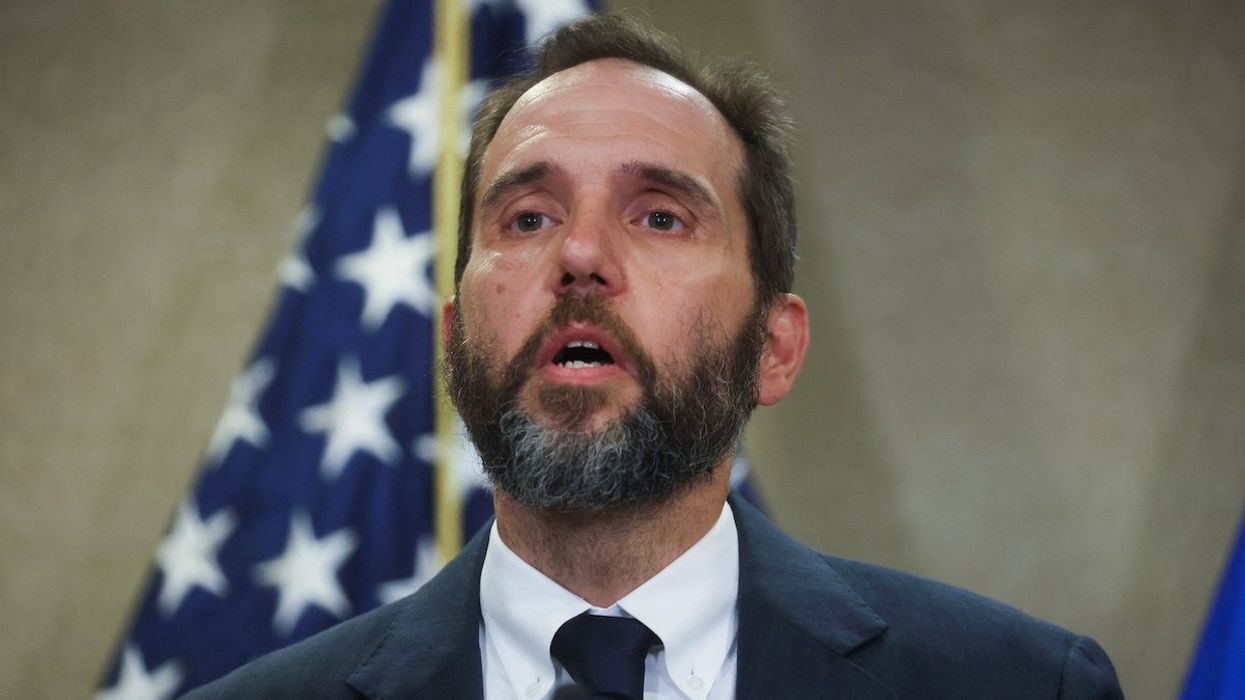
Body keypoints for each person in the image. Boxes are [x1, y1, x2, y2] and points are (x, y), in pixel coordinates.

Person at [185, 14, 1124, 700]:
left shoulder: (1018, 685)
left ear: (773, 347)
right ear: (454, 340)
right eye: (528, 218)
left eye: (660, 216)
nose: (580, 255)